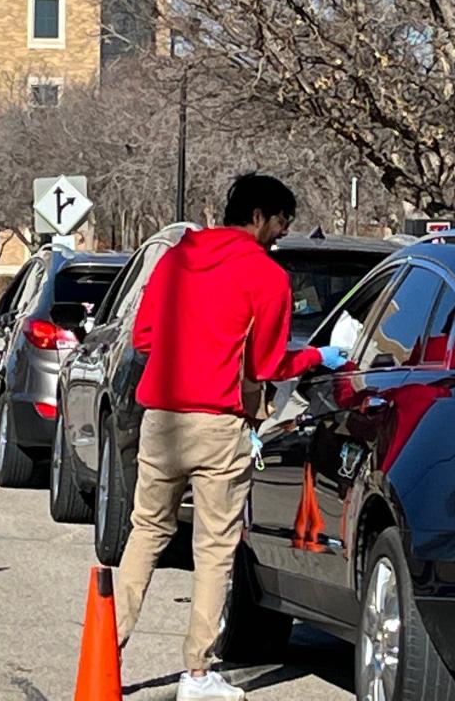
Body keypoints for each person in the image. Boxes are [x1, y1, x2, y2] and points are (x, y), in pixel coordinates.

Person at [114, 173, 345, 701]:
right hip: (220, 422)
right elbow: (266, 363)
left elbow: (145, 336)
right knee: (215, 548)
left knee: (146, 531)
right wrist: (318, 357)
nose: (279, 237)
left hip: (161, 416)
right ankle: (197, 673)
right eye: (280, 224)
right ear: (260, 215)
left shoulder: (175, 257)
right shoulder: (266, 276)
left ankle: (108, 647)